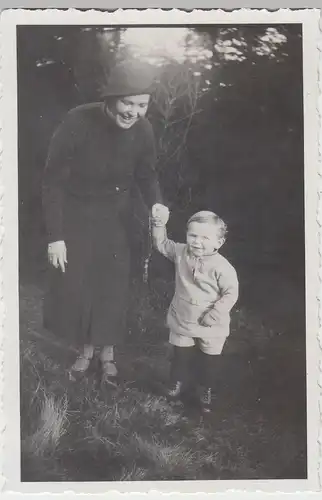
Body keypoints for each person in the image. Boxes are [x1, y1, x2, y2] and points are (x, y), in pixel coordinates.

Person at [42, 59, 169, 384]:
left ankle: (108, 354)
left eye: (142, 104)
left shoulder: (143, 130)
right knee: (83, 285)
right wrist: (56, 235)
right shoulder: (78, 120)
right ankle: (85, 352)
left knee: (112, 286)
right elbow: (53, 180)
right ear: (110, 99)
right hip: (78, 215)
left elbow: (146, 174)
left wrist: (156, 203)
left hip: (119, 217)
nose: (134, 112)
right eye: (127, 102)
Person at [151, 208, 239, 412]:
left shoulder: (222, 267)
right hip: (183, 317)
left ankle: (205, 390)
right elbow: (162, 245)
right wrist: (159, 225)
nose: (197, 242)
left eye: (205, 238)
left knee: (209, 360)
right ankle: (176, 384)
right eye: (193, 235)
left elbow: (230, 293)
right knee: (180, 355)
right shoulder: (182, 252)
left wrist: (215, 313)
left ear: (219, 242)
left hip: (211, 324)